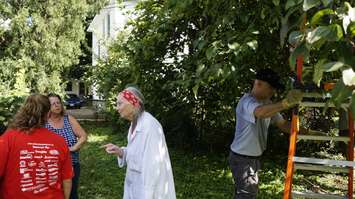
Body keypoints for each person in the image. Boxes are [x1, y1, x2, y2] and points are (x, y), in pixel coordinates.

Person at [228, 68, 303, 199]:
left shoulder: (267, 103)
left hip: (252, 158)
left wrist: (308, 133)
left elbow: (283, 124)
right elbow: (260, 112)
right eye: (271, 88)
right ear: (258, 84)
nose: (273, 91)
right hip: (242, 159)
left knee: (245, 194)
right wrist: (286, 103)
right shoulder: (247, 101)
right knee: (247, 194)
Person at [101, 87, 176, 199]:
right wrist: (121, 152)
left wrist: (147, 195)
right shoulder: (135, 124)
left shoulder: (149, 126)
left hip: (147, 190)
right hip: (135, 185)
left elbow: (153, 167)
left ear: (133, 103)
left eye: (120, 104)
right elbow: (137, 154)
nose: (117, 108)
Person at [0, 94, 73, 199]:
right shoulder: (59, 141)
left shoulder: (8, 137)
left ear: (23, 110)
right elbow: (67, 179)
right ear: (48, 113)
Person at [45, 93, 87, 199]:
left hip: (72, 164)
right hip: (51, 167)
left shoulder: (69, 119)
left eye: (58, 103)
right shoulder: (43, 123)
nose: (56, 105)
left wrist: (74, 148)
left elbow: (83, 136)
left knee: (72, 194)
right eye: (53, 104)